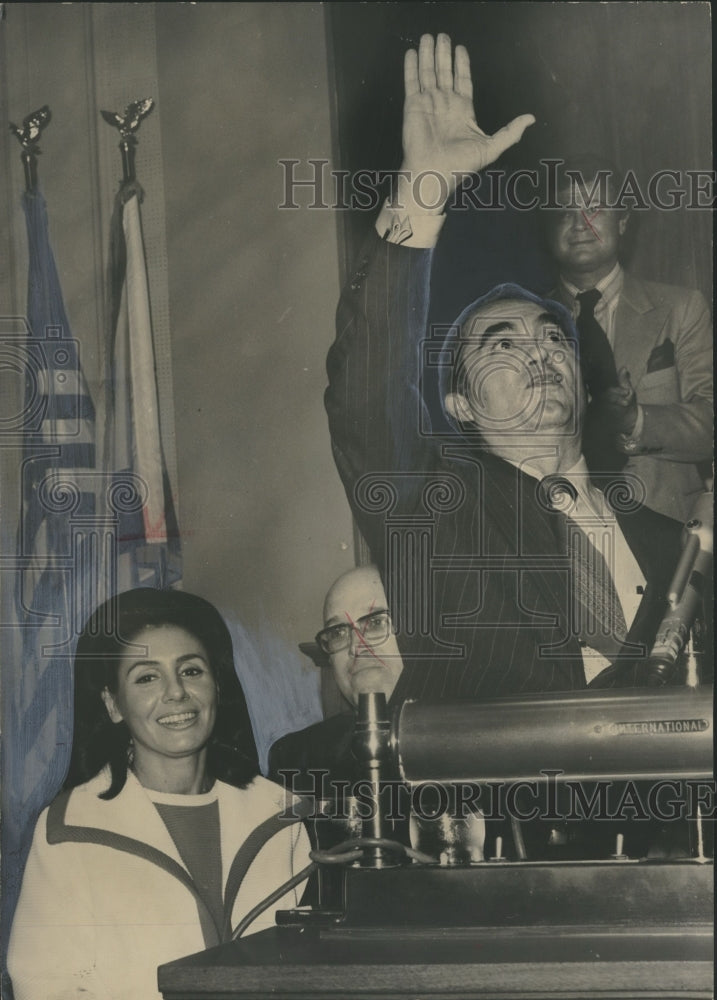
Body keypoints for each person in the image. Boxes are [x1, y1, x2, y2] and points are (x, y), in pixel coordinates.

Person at [326, 34, 695, 700]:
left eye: (554, 338)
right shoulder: (431, 509)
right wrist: (422, 188)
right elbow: (363, 391)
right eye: (499, 343)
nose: (539, 351)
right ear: (459, 404)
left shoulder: (679, 548)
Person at [8, 588, 310, 1000]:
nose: (176, 693)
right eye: (147, 677)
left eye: (191, 671)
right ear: (113, 705)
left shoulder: (281, 815)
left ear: (217, 686)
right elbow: (43, 987)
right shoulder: (69, 831)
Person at [543, 155, 712, 522]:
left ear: (623, 221)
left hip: (670, 529)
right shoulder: (527, 322)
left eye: (594, 209)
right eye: (564, 213)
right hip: (564, 531)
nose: (579, 225)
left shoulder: (681, 308)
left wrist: (635, 419)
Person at [269, 564, 405, 794]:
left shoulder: (473, 739)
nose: (355, 646)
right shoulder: (299, 761)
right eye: (338, 632)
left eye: (375, 622)